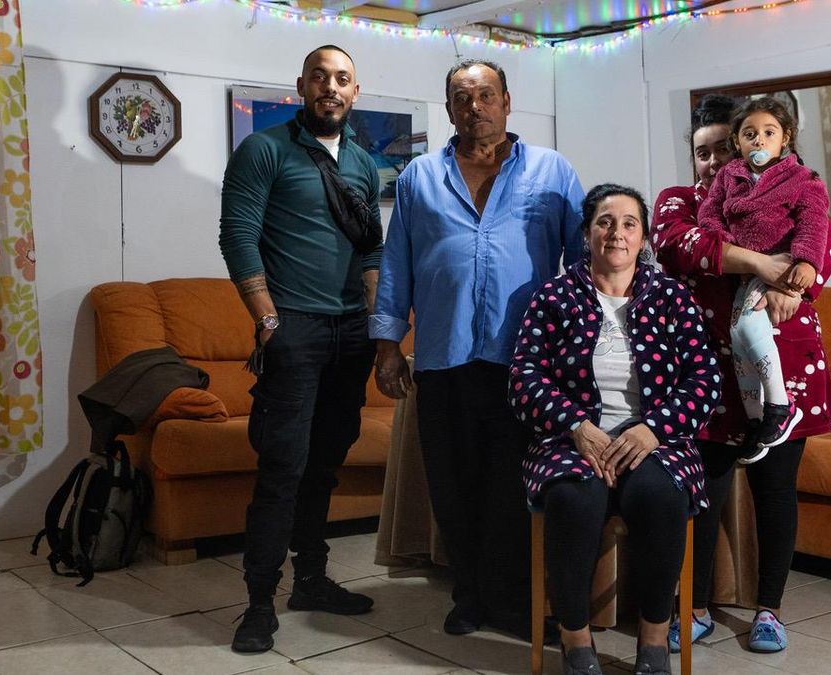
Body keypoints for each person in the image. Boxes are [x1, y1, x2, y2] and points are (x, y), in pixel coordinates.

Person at [370, 60, 585, 641]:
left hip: (528, 362)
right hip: (443, 358)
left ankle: (514, 600)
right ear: (448, 109)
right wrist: (388, 345)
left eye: (485, 95)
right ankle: (468, 595)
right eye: (462, 98)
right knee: (454, 483)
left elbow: (584, 262)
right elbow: (397, 264)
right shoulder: (418, 177)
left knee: (513, 485)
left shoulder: (552, 171)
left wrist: (590, 344)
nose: (475, 107)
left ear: (508, 102)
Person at [652, 94, 831, 654]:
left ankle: (770, 610)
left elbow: (824, 241)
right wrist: (765, 266)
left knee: (776, 490)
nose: (711, 163)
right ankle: (701, 607)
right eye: (701, 153)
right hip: (706, 369)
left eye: (720, 149)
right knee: (704, 490)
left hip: (787, 362)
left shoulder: (790, 187)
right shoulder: (679, 201)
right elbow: (680, 248)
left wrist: (798, 279)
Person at [510, 184, 720, 675]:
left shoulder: (671, 296)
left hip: (655, 441)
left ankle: (652, 640)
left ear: (643, 236)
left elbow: (704, 378)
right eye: (605, 222)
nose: (617, 233)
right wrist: (577, 427)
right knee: (572, 499)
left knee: (660, 497)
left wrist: (654, 430)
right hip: (572, 441)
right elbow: (524, 377)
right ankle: (575, 641)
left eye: (629, 223)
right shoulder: (555, 296)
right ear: (586, 233)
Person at [219, 45, 382, 653]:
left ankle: (310, 580)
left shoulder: (364, 164)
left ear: (354, 92)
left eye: (342, 79)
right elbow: (237, 234)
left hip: (350, 336)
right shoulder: (265, 150)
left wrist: (376, 323)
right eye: (320, 78)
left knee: (324, 464)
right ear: (301, 86)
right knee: (282, 467)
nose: (330, 88)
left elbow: (371, 249)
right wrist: (267, 319)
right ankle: (258, 602)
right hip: (294, 330)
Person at [696, 97, 831, 463]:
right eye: (750, 134)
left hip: (780, 264)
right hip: (747, 270)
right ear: (739, 143)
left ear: (784, 138)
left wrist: (805, 264)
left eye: (768, 133)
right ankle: (761, 422)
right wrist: (727, 245)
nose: (759, 140)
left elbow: (815, 224)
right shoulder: (730, 177)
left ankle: (780, 407)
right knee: (741, 343)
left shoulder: (802, 178)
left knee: (749, 332)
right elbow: (709, 217)